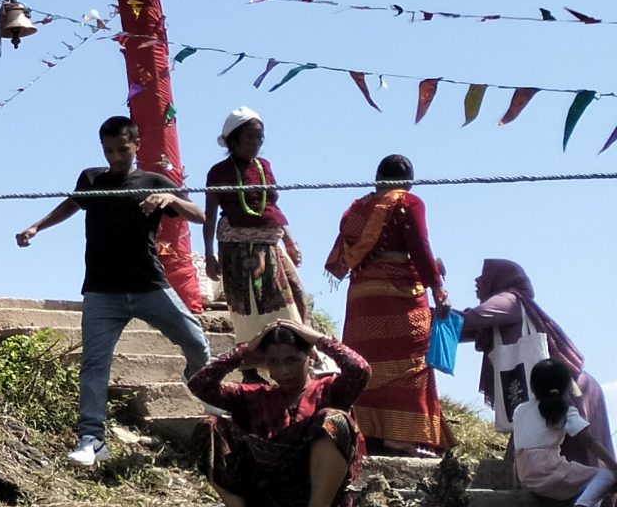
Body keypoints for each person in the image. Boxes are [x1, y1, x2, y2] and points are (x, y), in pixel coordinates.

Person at [15, 115, 212, 467]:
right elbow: (71, 204)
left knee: (196, 341)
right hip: (102, 291)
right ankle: (92, 439)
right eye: (109, 150)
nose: (116, 157)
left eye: (122, 149)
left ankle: (198, 380)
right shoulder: (93, 179)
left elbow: (197, 214)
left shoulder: (153, 181)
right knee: (94, 364)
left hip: (149, 285)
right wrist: (36, 226)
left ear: (136, 145)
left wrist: (169, 198)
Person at [322, 155, 452, 456]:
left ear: (377, 178)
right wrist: (439, 290)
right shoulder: (409, 203)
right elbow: (419, 246)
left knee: (366, 362)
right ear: (408, 181)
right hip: (399, 296)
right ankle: (402, 437)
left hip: (361, 300)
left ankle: (369, 432)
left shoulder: (355, 209)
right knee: (411, 361)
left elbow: (346, 254)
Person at [189, 322, 371, 507]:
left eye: (292, 360)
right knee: (209, 425)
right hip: (265, 496)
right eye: (274, 362)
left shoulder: (330, 389)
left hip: (314, 492)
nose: (284, 371)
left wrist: (319, 339)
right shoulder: (254, 396)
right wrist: (245, 350)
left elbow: (360, 369)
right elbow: (200, 384)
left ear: (310, 357)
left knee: (334, 419)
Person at [460, 258, 608, 453]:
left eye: (485, 276)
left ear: (500, 279)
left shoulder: (510, 300)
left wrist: (418, 313)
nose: (477, 281)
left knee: (571, 446)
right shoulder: (510, 306)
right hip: (564, 384)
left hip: (566, 386)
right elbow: (462, 329)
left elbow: (468, 321)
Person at [202, 110, 304, 347]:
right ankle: (250, 364)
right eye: (249, 137)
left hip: (269, 245)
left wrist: (290, 241)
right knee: (247, 305)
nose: (255, 143)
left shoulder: (264, 167)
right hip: (236, 248)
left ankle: (293, 355)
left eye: (259, 138)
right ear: (233, 140)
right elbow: (210, 215)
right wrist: (209, 255)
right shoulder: (218, 172)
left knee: (290, 299)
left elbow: (272, 206)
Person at [509, 360, 617, 507]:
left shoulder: (520, 410)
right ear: (567, 386)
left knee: (583, 476)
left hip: (526, 474)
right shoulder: (565, 411)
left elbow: (519, 447)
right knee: (606, 476)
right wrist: (614, 466)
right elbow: (590, 442)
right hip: (547, 470)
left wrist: (517, 482)